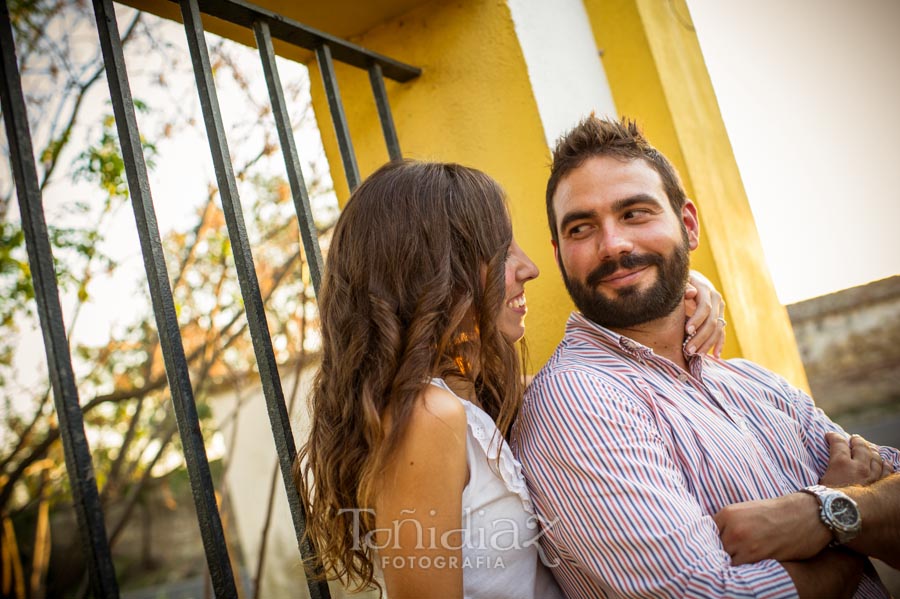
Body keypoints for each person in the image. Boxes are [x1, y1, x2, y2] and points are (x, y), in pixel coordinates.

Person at [295, 159, 725, 598]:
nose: (530, 267)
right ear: (435, 273)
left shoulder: (480, 399)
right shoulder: (429, 417)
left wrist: (686, 288)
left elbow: (604, 372)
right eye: (502, 253)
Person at [513, 115, 900, 599]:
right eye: (581, 227)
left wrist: (814, 515)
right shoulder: (578, 399)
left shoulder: (754, 382)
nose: (613, 244)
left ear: (688, 225)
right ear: (559, 255)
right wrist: (841, 516)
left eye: (634, 213)